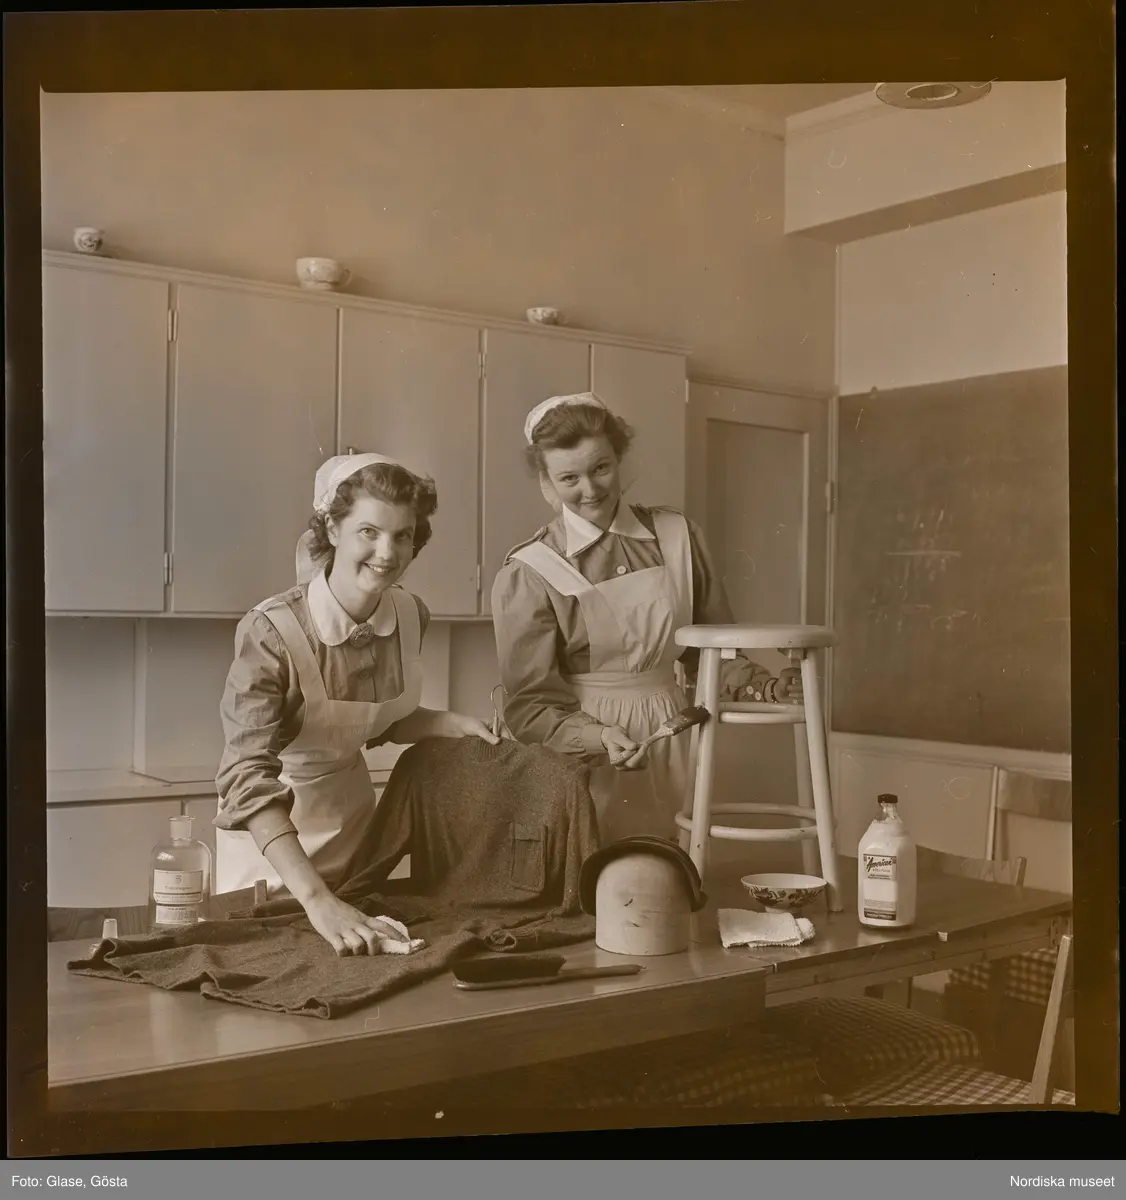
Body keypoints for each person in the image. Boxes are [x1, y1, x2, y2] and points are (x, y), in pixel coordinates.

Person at [215, 452, 499, 956]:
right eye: (369, 531)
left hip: (355, 837)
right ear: (332, 528)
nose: (387, 553)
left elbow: (373, 720)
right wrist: (317, 900)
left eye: (403, 535)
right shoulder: (271, 631)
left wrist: (449, 722)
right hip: (275, 853)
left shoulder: (410, 615)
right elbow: (246, 777)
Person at [491, 392, 802, 844]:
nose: (590, 490)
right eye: (569, 478)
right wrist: (597, 737)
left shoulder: (678, 536)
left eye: (601, 468)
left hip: (675, 736)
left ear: (620, 459)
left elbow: (712, 653)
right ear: (546, 482)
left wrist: (767, 687)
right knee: (597, 869)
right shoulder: (530, 570)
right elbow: (530, 705)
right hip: (583, 753)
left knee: (676, 863)